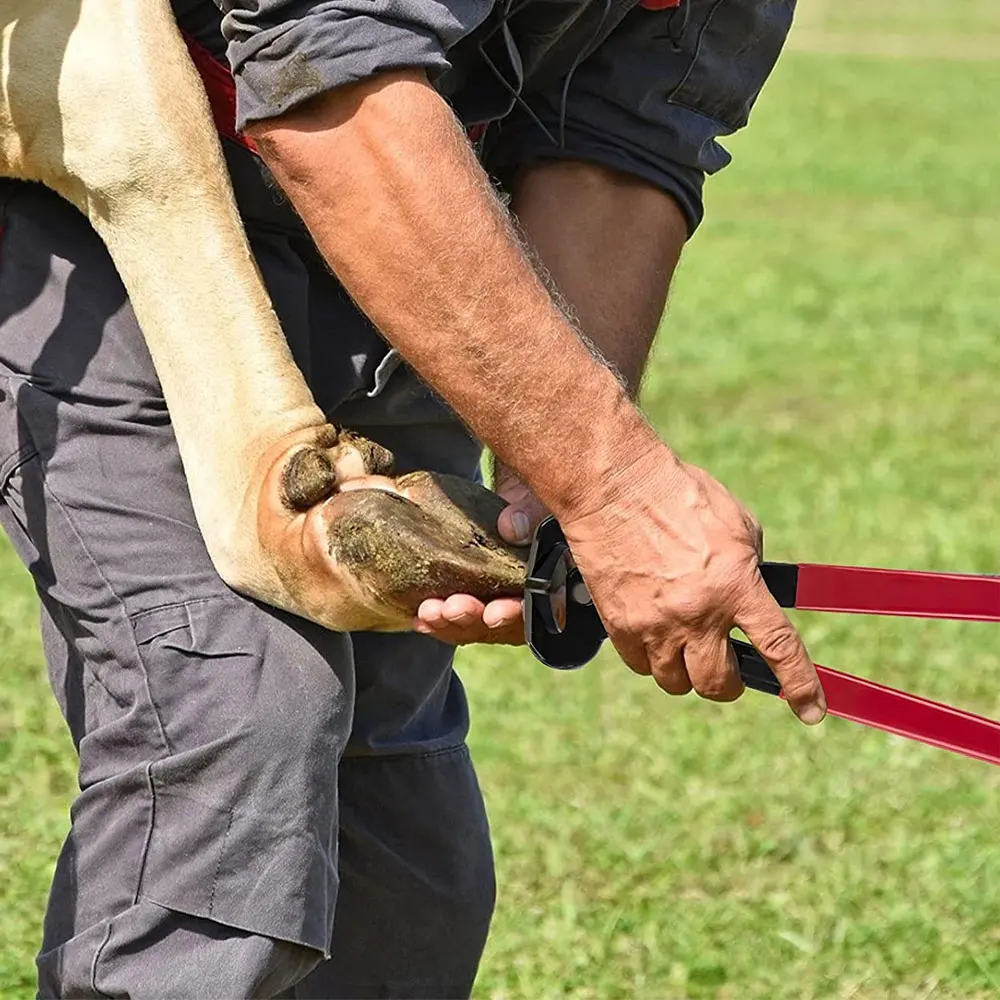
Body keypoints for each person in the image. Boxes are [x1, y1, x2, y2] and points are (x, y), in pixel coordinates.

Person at [0, 0, 824, 995]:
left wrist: (550, 486)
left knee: (398, 837)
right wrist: (613, 484)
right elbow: (330, 87)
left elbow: (616, 136)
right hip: (87, 170)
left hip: (404, 207)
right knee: (241, 712)